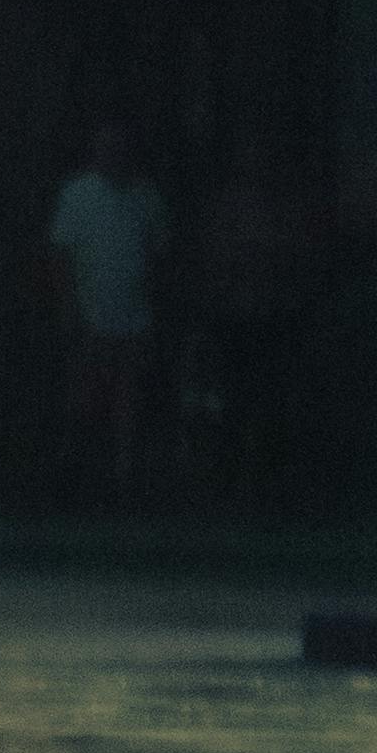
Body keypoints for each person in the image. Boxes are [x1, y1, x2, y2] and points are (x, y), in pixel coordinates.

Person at [46, 115, 172, 499]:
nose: (113, 153)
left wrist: (152, 302)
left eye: (120, 145)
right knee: (84, 397)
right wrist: (69, 306)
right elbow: (61, 255)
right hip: (91, 314)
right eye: (106, 145)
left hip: (135, 315)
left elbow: (158, 252)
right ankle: (72, 472)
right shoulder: (77, 194)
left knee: (129, 398)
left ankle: (123, 478)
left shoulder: (146, 195)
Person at [192, 135, 320, 501]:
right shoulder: (227, 205)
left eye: (261, 157)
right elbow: (214, 255)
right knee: (233, 397)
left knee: (272, 398)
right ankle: (229, 479)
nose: (256, 166)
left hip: (273, 314)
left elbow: (298, 254)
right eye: (250, 158)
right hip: (233, 316)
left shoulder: (283, 206)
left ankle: (268, 480)